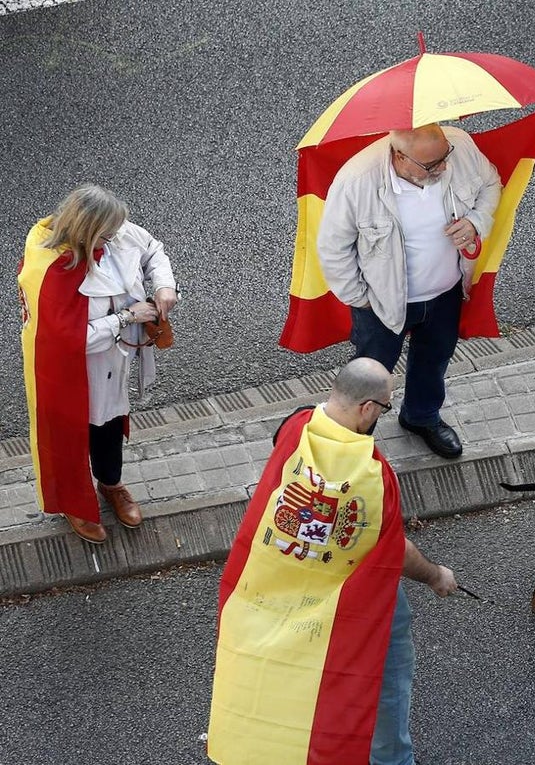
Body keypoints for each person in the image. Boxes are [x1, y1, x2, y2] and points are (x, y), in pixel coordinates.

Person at [207, 358, 458, 765]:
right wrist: (436, 576)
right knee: (384, 682)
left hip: (274, 591)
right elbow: (394, 552)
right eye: (385, 407)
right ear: (368, 409)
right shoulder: (372, 478)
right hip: (346, 605)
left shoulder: (295, 426)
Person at [316, 123, 502, 459]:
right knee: (371, 375)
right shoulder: (356, 181)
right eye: (432, 166)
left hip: (445, 293)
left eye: (445, 158)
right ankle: (355, 440)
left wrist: (476, 221)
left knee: (434, 361)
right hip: (383, 303)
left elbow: (491, 182)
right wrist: (362, 299)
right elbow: (333, 249)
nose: (444, 167)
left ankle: (421, 416)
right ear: (400, 158)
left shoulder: (457, 148)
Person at [18, 184, 178, 544]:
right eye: (107, 233)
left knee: (106, 425)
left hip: (110, 363)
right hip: (68, 371)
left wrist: (165, 285)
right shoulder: (49, 268)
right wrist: (126, 318)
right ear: (86, 232)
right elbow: (67, 339)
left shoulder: (114, 231)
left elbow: (151, 248)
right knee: (68, 436)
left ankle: (110, 483)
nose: (116, 236)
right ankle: (74, 502)